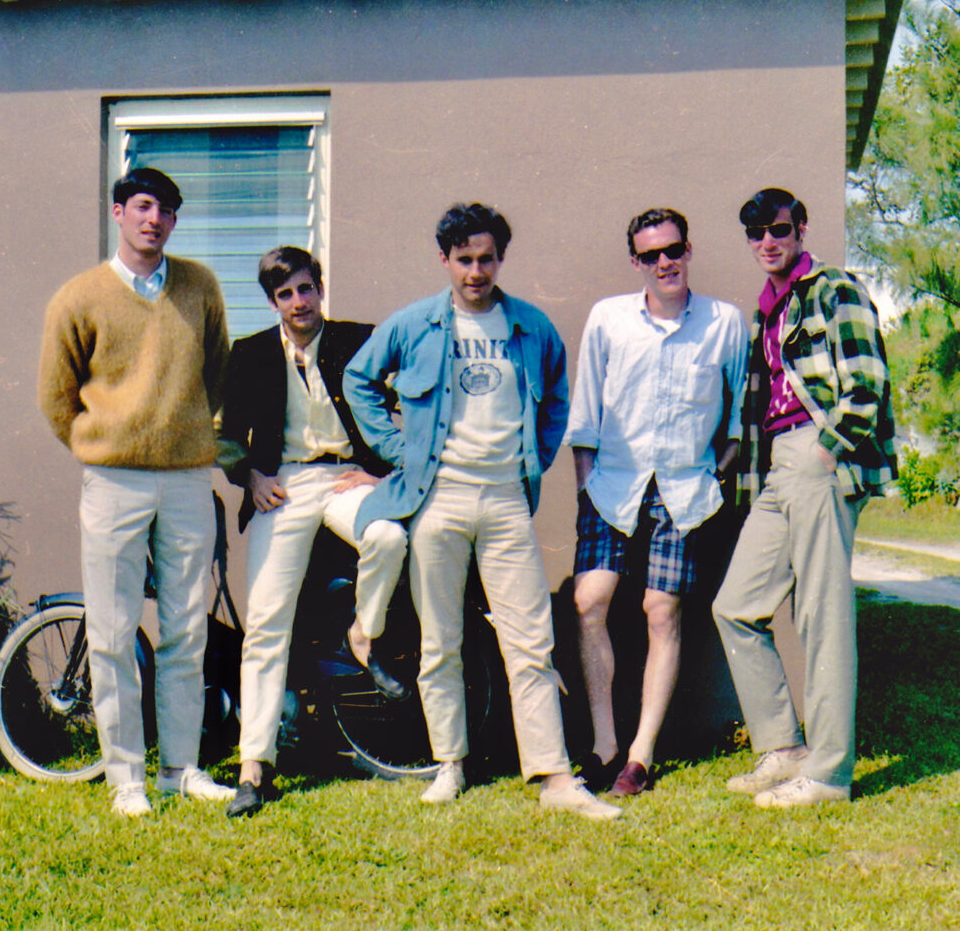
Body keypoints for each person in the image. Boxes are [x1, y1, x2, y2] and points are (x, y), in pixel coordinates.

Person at [343, 202, 619, 820]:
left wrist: (535, 459)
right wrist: (401, 451)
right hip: (436, 499)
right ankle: (450, 765)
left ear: (501, 259)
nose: (476, 271)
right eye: (464, 260)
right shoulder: (414, 325)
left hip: (503, 501)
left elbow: (556, 406)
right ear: (445, 260)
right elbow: (359, 379)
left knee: (529, 640)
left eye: (486, 258)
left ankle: (554, 776)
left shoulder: (531, 327)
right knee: (441, 638)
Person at [38, 167, 234, 816]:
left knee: (185, 628)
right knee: (114, 632)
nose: (155, 219)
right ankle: (127, 779)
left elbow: (219, 373)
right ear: (119, 212)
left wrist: (194, 442)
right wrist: (103, 447)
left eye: (168, 211)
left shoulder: (200, 287)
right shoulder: (79, 296)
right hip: (114, 480)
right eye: (143, 206)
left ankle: (181, 768)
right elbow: (56, 397)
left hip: (184, 479)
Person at [712, 187, 897, 808]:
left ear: (801, 230)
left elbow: (867, 381)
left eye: (780, 229)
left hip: (818, 459)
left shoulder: (832, 288)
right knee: (735, 605)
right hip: (779, 468)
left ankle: (828, 774)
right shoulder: (769, 309)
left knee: (820, 615)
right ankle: (783, 747)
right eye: (757, 232)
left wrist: (827, 450)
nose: (769, 241)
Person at [217, 246, 408, 818]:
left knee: (389, 538)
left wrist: (382, 469)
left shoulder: (359, 341)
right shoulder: (250, 355)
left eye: (306, 289)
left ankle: (364, 634)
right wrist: (249, 476)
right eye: (285, 295)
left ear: (320, 288)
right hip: (284, 486)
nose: (299, 303)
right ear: (273, 302)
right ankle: (255, 766)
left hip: (347, 478)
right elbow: (226, 436)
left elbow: (413, 405)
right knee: (267, 621)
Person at [564, 207, 748, 797]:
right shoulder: (608, 319)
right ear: (636, 261)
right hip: (613, 485)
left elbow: (739, 419)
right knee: (590, 601)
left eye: (672, 250)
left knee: (660, 611)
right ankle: (604, 745)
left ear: (688, 250)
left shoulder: (724, 322)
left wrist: (714, 478)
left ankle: (639, 757)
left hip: (684, 490)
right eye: (650, 255)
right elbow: (585, 411)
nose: (663, 263)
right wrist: (586, 481)